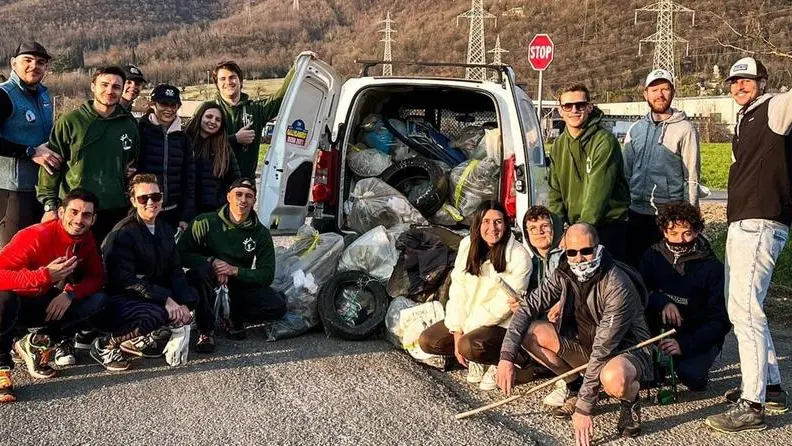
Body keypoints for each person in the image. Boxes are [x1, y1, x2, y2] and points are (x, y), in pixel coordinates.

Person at [497, 224, 652, 442]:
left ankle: (630, 400)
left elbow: (603, 348)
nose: (579, 258)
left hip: (624, 351)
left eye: (586, 251)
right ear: (565, 252)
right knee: (530, 332)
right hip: (585, 343)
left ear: (598, 248)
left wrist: (583, 409)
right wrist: (506, 357)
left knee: (613, 379)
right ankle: (575, 386)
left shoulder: (617, 285)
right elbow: (528, 306)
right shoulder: (564, 272)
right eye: (572, 252)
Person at [705, 57, 792, 433]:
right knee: (741, 306)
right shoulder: (745, 117)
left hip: (762, 221)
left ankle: (752, 403)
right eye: (734, 81)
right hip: (743, 222)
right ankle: (770, 388)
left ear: (763, 80)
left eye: (747, 80)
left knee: (746, 312)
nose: (740, 86)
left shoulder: (776, 107)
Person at [0, 189, 105, 403]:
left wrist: (70, 294)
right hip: (13, 300)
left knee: (97, 300)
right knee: (4, 300)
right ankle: (1, 366)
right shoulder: (35, 235)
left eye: (86, 215)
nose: (78, 220)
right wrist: (44, 275)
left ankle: (36, 342)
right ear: (60, 212)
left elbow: (96, 277)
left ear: (93, 219)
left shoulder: (86, 239)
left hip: (40, 300)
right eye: (73, 212)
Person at [417, 200, 531, 391]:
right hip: (469, 319)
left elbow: (501, 307)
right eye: (486, 221)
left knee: (469, 345)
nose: (492, 228)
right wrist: (456, 329)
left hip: (499, 325)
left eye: (498, 222)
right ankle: (473, 356)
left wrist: (466, 332)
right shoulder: (468, 245)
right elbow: (458, 288)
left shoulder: (519, 256)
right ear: (478, 223)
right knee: (428, 341)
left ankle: (510, 362)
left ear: (506, 224)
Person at [97, 174, 195, 371]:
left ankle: (137, 338)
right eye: (143, 198)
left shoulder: (165, 228)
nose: (151, 202)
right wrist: (166, 300)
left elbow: (175, 269)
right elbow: (123, 281)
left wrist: (184, 304)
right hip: (119, 297)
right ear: (133, 201)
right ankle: (104, 345)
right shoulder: (122, 234)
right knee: (156, 314)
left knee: (193, 293)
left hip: (149, 290)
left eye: (156, 196)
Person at [178, 178, 286, 352]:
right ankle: (206, 329)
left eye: (249, 196)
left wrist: (234, 270)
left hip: (234, 283)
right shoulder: (204, 222)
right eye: (238, 194)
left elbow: (267, 274)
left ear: (254, 201)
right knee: (201, 273)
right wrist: (212, 262)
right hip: (206, 282)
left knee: (277, 305)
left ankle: (231, 315)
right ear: (229, 197)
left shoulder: (261, 233)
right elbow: (180, 255)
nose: (243, 200)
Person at [37, 66, 139, 245]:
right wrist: (49, 205)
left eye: (116, 87)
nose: (110, 91)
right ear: (93, 86)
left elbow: (133, 165)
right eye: (104, 85)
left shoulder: (129, 125)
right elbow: (50, 166)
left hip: (114, 209)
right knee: (71, 263)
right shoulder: (70, 122)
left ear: (122, 90)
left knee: (109, 264)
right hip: (77, 210)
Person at [639, 202, 729, 392]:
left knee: (692, 377)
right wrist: (663, 302)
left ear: (697, 231)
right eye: (673, 233)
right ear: (664, 232)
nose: (680, 240)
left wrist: (684, 345)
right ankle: (657, 362)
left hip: (694, 331)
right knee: (644, 377)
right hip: (658, 329)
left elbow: (720, 320)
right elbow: (640, 293)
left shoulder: (713, 268)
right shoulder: (652, 256)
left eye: (686, 233)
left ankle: (690, 359)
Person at [623, 69, 701, 266]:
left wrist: (690, 215)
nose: (660, 94)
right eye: (654, 89)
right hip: (635, 212)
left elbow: (692, 175)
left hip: (667, 215)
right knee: (634, 265)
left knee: (663, 269)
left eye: (665, 89)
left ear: (673, 92)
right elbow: (625, 172)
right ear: (646, 94)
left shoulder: (685, 129)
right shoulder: (636, 129)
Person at [548, 84, 630, 262]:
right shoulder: (558, 145)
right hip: (576, 228)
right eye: (568, 106)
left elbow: (597, 194)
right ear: (560, 111)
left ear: (590, 107)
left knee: (609, 284)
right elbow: (554, 193)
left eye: (580, 105)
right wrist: (558, 231)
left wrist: (578, 234)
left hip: (607, 226)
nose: (574, 110)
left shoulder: (604, 141)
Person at [0, 42, 63, 246]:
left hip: (41, 188)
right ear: (13, 63)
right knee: (13, 254)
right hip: (13, 191)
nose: (34, 66)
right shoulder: (4, 95)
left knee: (37, 253)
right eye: (27, 60)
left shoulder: (44, 96)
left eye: (40, 62)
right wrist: (29, 151)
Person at [210, 59, 294, 178]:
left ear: (240, 81)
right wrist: (235, 139)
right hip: (214, 183)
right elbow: (197, 143)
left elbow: (282, 96)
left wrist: (298, 65)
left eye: (232, 77)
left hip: (245, 184)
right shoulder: (208, 110)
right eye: (222, 79)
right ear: (217, 84)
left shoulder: (256, 110)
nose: (228, 82)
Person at [137, 84, 195, 229]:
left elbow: (189, 178)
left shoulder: (183, 139)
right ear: (153, 104)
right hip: (144, 211)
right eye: (163, 104)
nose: (169, 109)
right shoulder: (140, 132)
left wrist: (186, 215)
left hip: (173, 212)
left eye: (173, 105)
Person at [184, 101, 241, 215]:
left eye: (218, 120)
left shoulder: (224, 148)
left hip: (213, 211)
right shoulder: (184, 140)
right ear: (200, 116)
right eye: (209, 117)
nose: (213, 121)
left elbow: (235, 179)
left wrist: (222, 201)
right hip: (185, 209)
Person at [522, 205, 564, 291]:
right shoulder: (529, 264)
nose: (539, 232)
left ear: (555, 227)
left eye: (545, 226)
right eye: (533, 228)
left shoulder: (566, 259)